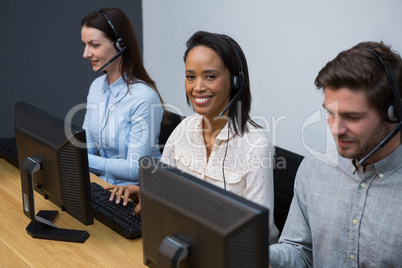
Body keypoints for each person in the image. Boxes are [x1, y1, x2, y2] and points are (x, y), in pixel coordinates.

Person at [106, 31, 280, 244]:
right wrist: (145, 194)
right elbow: (162, 187)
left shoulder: (255, 145)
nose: (197, 87)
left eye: (210, 76)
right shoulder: (184, 129)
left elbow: (258, 232)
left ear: (236, 81)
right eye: (190, 76)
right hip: (186, 244)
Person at [269, 41, 402, 267]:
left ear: (393, 113)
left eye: (352, 117)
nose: (335, 129)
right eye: (331, 114)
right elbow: (301, 252)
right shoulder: (315, 167)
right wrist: (263, 255)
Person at [81, 8, 166, 186]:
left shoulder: (143, 98)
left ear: (120, 44)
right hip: (103, 185)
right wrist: (78, 158)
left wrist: (82, 160)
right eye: (85, 45)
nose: (86, 54)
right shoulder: (96, 87)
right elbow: (86, 148)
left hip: (134, 194)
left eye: (94, 45)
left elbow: (136, 169)